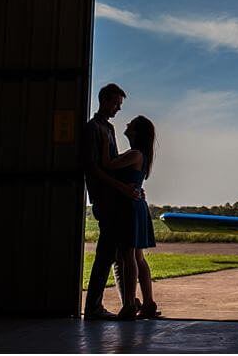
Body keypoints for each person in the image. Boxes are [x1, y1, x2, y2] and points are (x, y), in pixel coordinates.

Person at [82, 83, 140, 320]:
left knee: (115, 254)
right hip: (104, 199)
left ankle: (126, 302)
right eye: (116, 103)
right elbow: (93, 169)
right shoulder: (92, 128)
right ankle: (94, 307)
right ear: (104, 100)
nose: (118, 109)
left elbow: (113, 163)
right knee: (106, 254)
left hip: (115, 199)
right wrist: (122, 188)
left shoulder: (109, 129)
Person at [102, 115, 159, 321]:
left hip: (129, 207)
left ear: (136, 132)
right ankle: (149, 303)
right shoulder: (141, 155)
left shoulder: (134, 154)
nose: (127, 125)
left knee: (128, 257)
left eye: (131, 124)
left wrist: (104, 139)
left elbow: (107, 164)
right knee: (137, 257)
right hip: (137, 205)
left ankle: (128, 305)